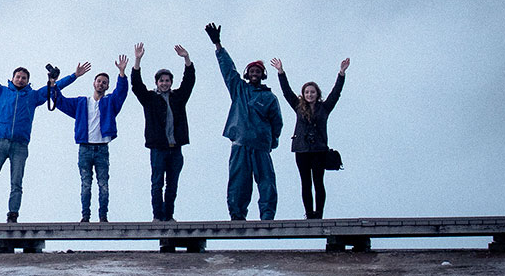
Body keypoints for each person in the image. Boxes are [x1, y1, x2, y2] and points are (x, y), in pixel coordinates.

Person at [0, 46, 81, 223]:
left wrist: (73, 76)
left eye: (24, 78)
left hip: (20, 145)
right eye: (18, 77)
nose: (20, 79)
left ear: (28, 81)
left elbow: (55, 87)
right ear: (12, 78)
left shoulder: (33, 96)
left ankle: (12, 215)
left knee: (16, 183)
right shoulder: (1, 92)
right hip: (0, 142)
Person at [206, 23, 283, 221]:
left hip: (261, 145)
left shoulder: (269, 97)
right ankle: (237, 215)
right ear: (247, 74)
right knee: (238, 181)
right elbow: (228, 71)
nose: (255, 73)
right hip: (239, 142)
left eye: (259, 71)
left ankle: (267, 216)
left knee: (266, 181)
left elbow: (277, 122)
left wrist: (272, 141)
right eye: (252, 71)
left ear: (263, 74)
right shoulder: (239, 89)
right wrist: (218, 45)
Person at [49, 58, 127, 222]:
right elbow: (59, 101)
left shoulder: (110, 103)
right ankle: (85, 216)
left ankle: (103, 217)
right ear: (93, 83)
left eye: (104, 82)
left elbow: (121, 92)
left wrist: (121, 73)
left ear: (107, 86)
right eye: (99, 81)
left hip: (102, 149)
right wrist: (54, 81)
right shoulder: (81, 103)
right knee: (86, 185)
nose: (101, 84)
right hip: (85, 149)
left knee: (103, 184)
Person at [271, 56, 349, 219]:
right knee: (305, 183)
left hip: (319, 150)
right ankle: (309, 213)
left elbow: (336, 93)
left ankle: (318, 213)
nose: (309, 94)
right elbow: (287, 92)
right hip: (301, 149)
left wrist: (341, 74)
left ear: (317, 94)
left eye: (312, 92)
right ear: (303, 94)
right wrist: (281, 72)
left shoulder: (325, 108)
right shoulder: (299, 107)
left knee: (318, 183)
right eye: (307, 92)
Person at [129, 42, 195, 222]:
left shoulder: (178, 98)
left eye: (167, 81)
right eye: (161, 81)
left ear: (171, 83)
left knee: (172, 184)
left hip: (176, 148)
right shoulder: (150, 99)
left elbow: (189, 82)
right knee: (157, 182)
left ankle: (169, 216)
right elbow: (136, 86)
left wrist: (186, 59)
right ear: (157, 83)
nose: (164, 83)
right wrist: (137, 60)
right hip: (158, 148)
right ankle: (158, 217)